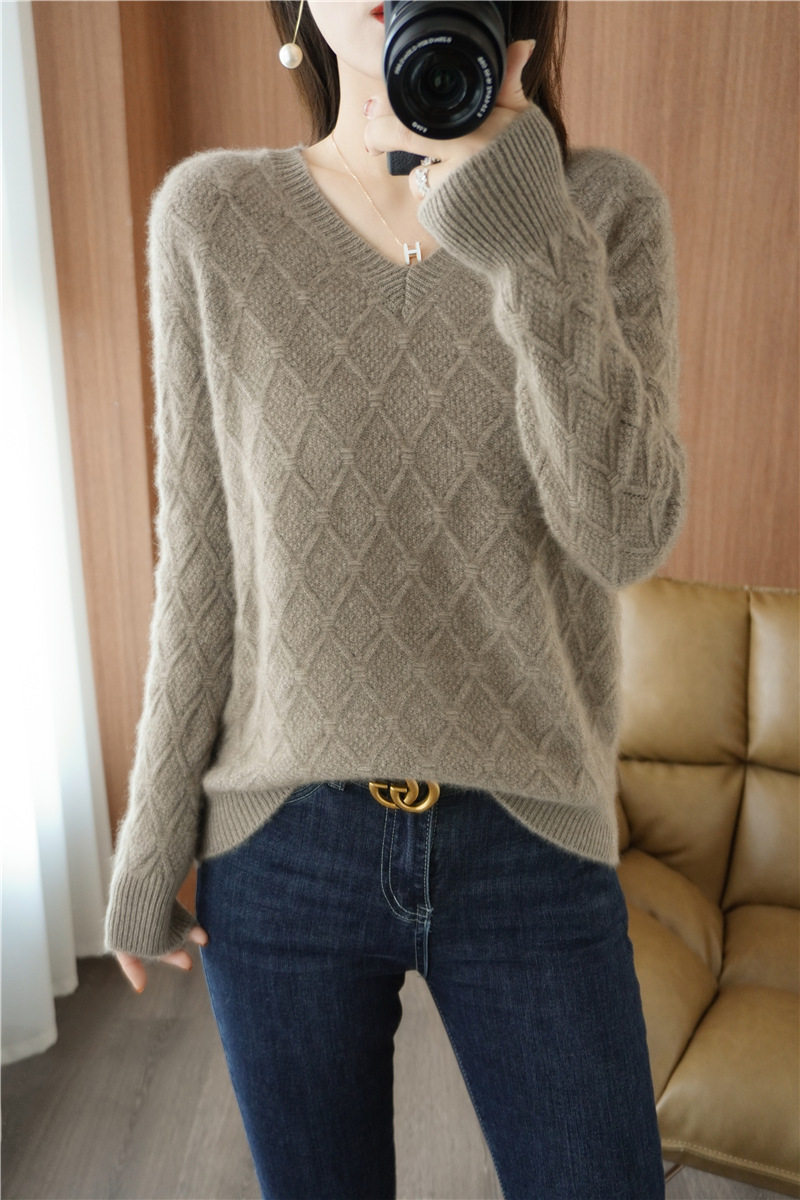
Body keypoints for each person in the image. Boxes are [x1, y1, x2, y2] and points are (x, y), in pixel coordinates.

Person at [104, 1, 688, 1196]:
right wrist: (151, 835)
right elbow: (201, 564)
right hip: (282, 849)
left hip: (529, 835)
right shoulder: (213, 218)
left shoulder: (598, 209)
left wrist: (524, 233)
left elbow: (624, 535)